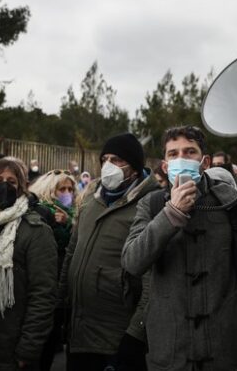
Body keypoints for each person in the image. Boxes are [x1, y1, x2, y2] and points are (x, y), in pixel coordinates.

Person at [122, 126, 237, 371]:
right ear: (165, 166)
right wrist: (171, 214)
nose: (182, 159)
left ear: (205, 162)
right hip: (171, 349)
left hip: (223, 347)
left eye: (190, 152)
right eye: (173, 154)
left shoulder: (230, 201)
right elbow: (132, 262)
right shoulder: (152, 204)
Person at [59, 133, 160, 371]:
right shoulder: (91, 200)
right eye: (105, 159)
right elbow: (72, 252)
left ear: (134, 168)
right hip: (79, 333)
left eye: (116, 160)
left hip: (117, 339)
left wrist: (135, 333)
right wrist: (59, 302)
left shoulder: (149, 205)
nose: (108, 166)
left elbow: (152, 280)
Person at [0, 157, 56, 371]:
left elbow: (43, 294)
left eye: (11, 182)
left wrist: (28, 349)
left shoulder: (35, 231)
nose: (4, 186)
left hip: (7, 347)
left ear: (21, 188)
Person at [28, 169, 76, 371]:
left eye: (70, 189)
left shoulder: (72, 214)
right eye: (61, 189)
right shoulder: (42, 212)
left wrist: (71, 223)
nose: (67, 193)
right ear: (49, 190)